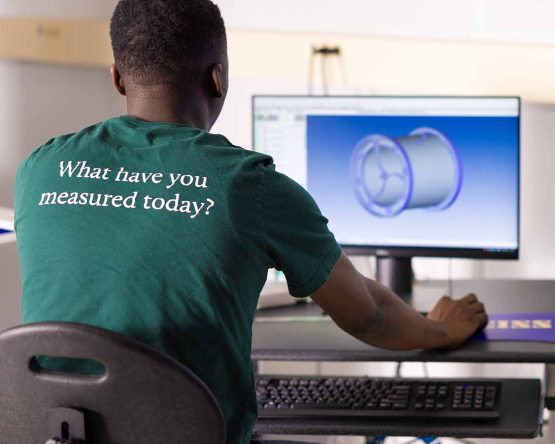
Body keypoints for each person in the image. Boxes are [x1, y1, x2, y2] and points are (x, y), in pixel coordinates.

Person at [14, 0, 488, 443]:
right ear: (218, 78)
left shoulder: (38, 170)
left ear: (117, 77)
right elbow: (368, 314)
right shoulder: (248, 186)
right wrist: (441, 330)